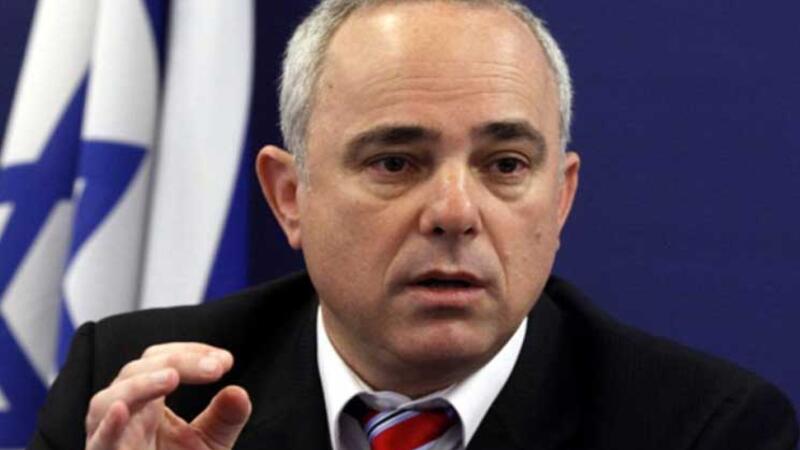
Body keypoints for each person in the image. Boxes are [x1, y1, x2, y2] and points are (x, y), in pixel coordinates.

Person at [28, 1, 798, 449]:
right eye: (395, 162)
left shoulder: (704, 431)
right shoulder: (136, 399)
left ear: (560, 199)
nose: (456, 213)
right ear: (290, 196)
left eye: (505, 165)